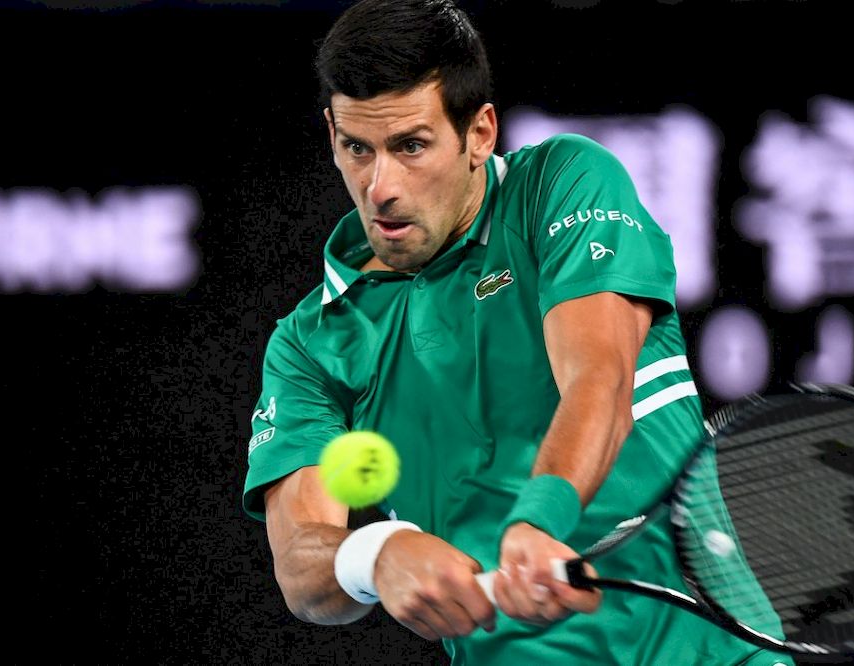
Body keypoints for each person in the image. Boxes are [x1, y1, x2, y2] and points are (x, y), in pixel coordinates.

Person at [242, 1, 791, 663]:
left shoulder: (559, 185)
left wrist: (539, 520)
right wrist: (373, 555)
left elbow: (599, 379)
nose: (380, 186)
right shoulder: (309, 343)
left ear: (479, 133)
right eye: (358, 148)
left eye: (411, 146)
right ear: (330, 132)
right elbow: (300, 567)